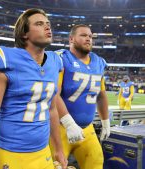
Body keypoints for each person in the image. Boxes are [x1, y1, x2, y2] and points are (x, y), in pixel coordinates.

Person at [0, 8, 67, 169]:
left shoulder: (55, 61)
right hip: (10, 154)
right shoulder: (5, 60)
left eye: (48, 24)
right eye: (39, 24)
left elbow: (52, 109)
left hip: (43, 153)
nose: (48, 27)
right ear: (23, 34)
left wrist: (58, 149)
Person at [51, 24, 110, 169]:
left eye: (90, 36)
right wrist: (69, 123)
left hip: (86, 129)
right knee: (55, 165)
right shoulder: (61, 59)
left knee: (96, 162)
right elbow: (53, 95)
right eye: (83, 35)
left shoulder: (98, 62)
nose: (88, 39)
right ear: (71, 39)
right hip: (60, 128)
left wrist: (105, 121)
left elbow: (101, 95)